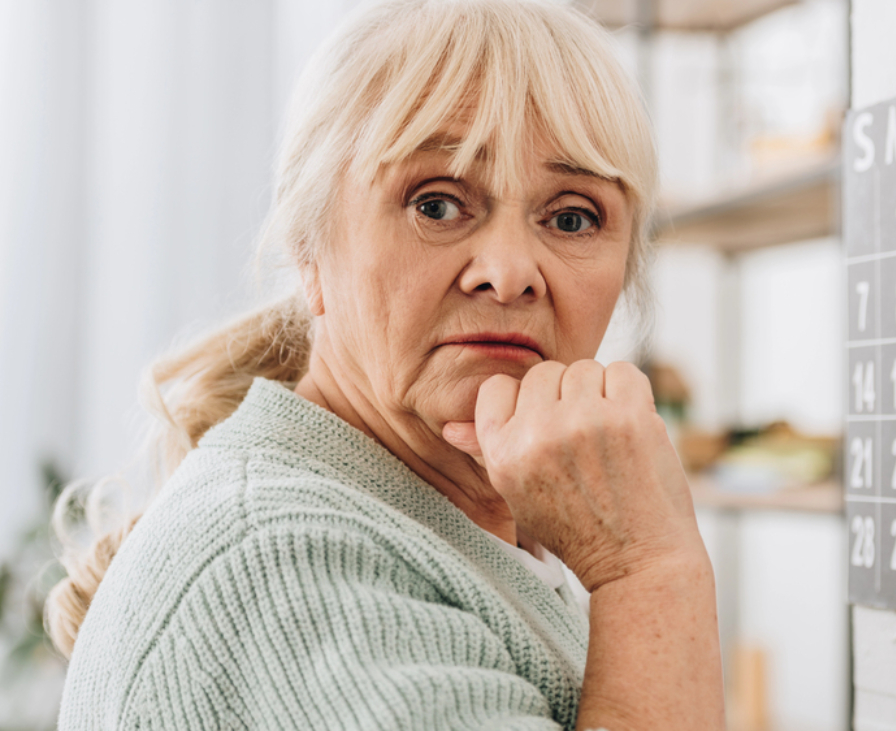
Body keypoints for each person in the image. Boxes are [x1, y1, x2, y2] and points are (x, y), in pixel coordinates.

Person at [44, 1, 724, 728]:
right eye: (436, 203)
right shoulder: (285, 562)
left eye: (572, 217)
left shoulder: (441, 524)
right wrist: (649, 571)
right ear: (310, 250)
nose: (510, 271)